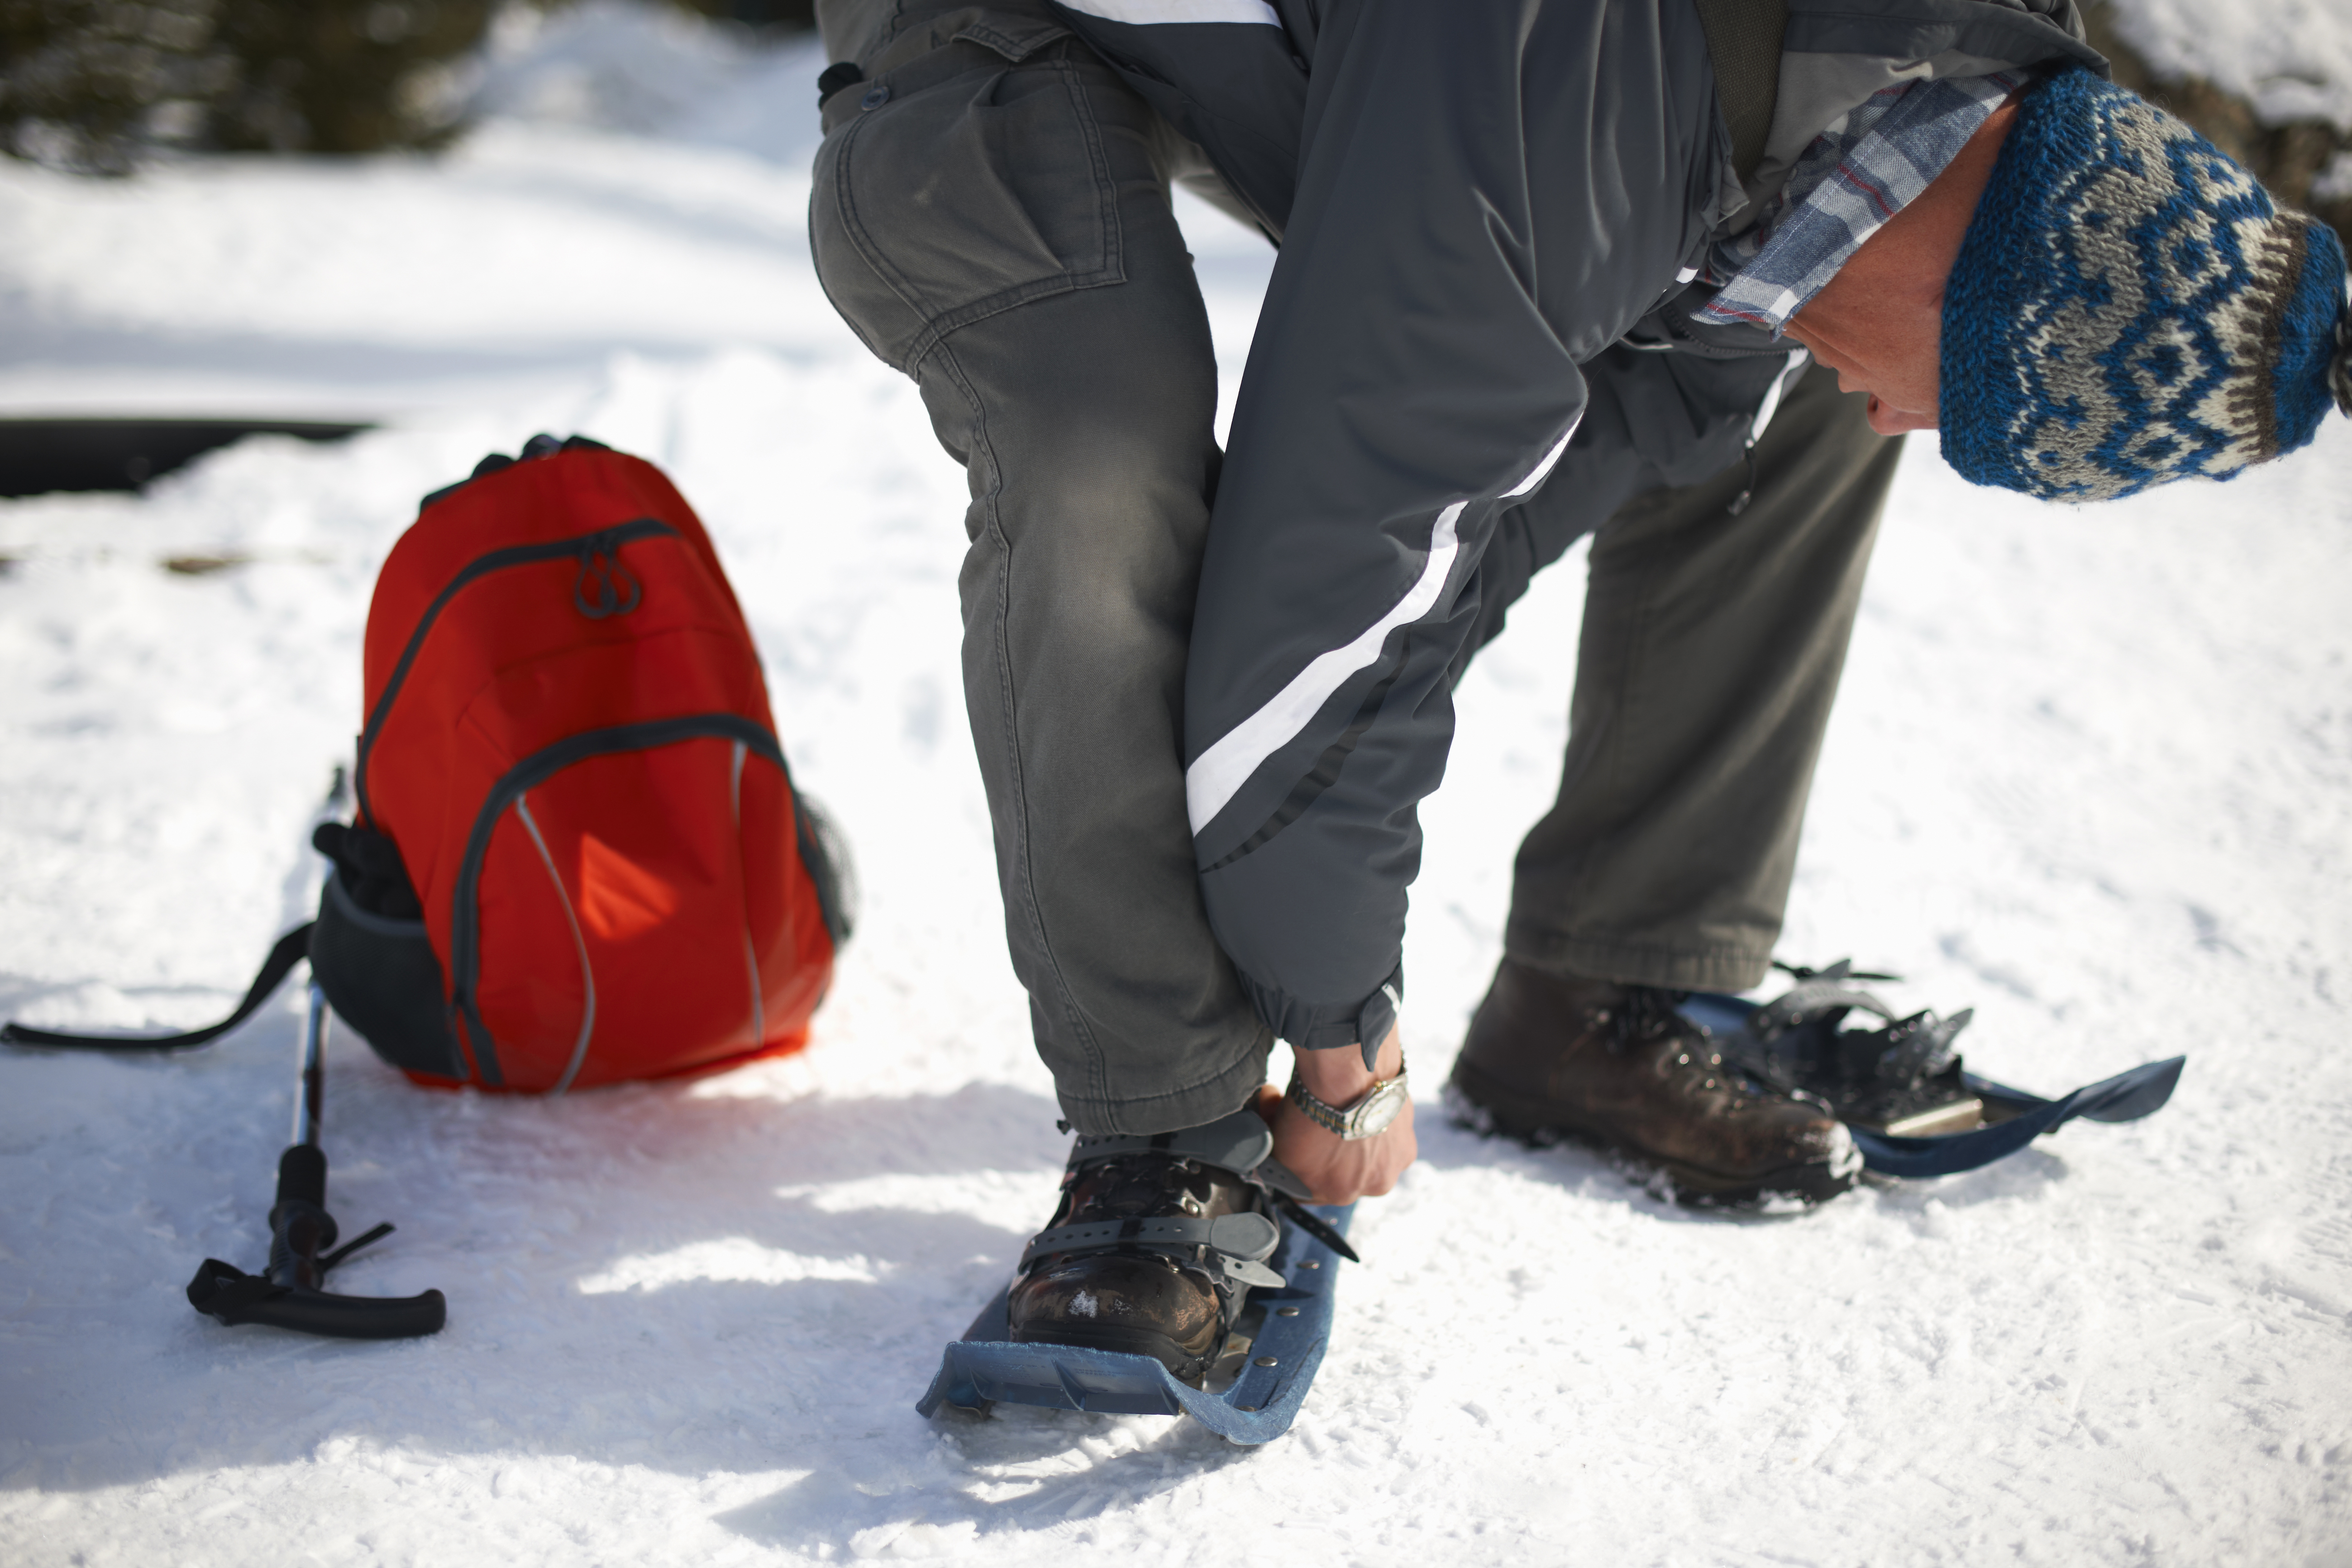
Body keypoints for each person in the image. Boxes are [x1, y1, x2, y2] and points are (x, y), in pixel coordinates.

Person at [808, 0, 2351, 1386]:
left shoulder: (1954, 71)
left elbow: (1503, 506)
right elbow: (1313, 652)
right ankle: (1164, 1140)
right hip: (1015, 25)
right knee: (1103, 453)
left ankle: (1613, 974)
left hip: (1451, 86)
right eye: (1964, 402)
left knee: (1779, 396)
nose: (1912, 423)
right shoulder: (1556, 121)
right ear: (1981, 277)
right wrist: (1339, 1037)